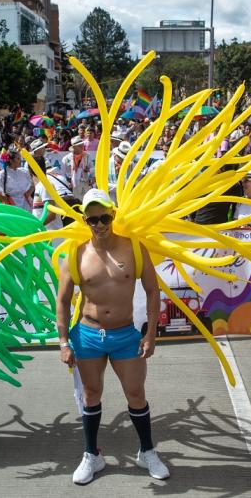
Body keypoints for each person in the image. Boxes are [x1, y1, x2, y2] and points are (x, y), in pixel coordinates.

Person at [57, 189, 169, 484]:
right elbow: (63, 300)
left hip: (124, 335)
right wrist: (63, 342)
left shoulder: (133, 248)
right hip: (89, 334)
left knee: (135, 393)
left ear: (113, 215)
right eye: (93, 219)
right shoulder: (76, 253)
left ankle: (147, 452)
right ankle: (91, 455)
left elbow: (153, 289)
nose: (100, 224)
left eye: (105, 217)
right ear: (85, 220)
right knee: (91, 394)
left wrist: (151, 333)